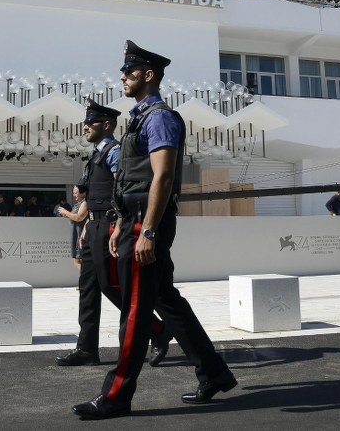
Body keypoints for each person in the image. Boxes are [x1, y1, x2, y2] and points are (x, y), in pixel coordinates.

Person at [73, 40, 236, 419]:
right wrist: (120, 223)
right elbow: (132, 180)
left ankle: (116, 395)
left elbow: (161, 177)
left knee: (134, 308)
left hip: (147, 223)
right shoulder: (141, 118)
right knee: (167, 302)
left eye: (129, 72)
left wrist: (146, 231)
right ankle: (214, 372)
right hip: (134, 220)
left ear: (148, 75)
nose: (122, 78)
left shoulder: (159, 118)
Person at [56, 99, 171, 369]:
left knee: (110, 286)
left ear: (107, 125)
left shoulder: (114, 151)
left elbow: (122, 189)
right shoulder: (97, 153)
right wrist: (87, 223)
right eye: (85, 122)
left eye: (91, 122)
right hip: (94, 227)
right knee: (87, 288)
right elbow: (97, 194)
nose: (85, 126)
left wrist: (119, 223)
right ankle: (86, 349)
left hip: (109, 227)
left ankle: (157, 329)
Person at [57, 187, 87, 270]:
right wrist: (66, 215)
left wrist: (66, 212)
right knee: (77, 259)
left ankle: (85, 277)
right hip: (76, 233)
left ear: (82, 193)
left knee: (79, 259)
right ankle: (85, 277)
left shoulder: (85, 203)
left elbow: (79, 217)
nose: (74, 195)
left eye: (75, 193)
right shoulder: (78, 204)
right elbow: (74, 216)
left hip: (80, 234)